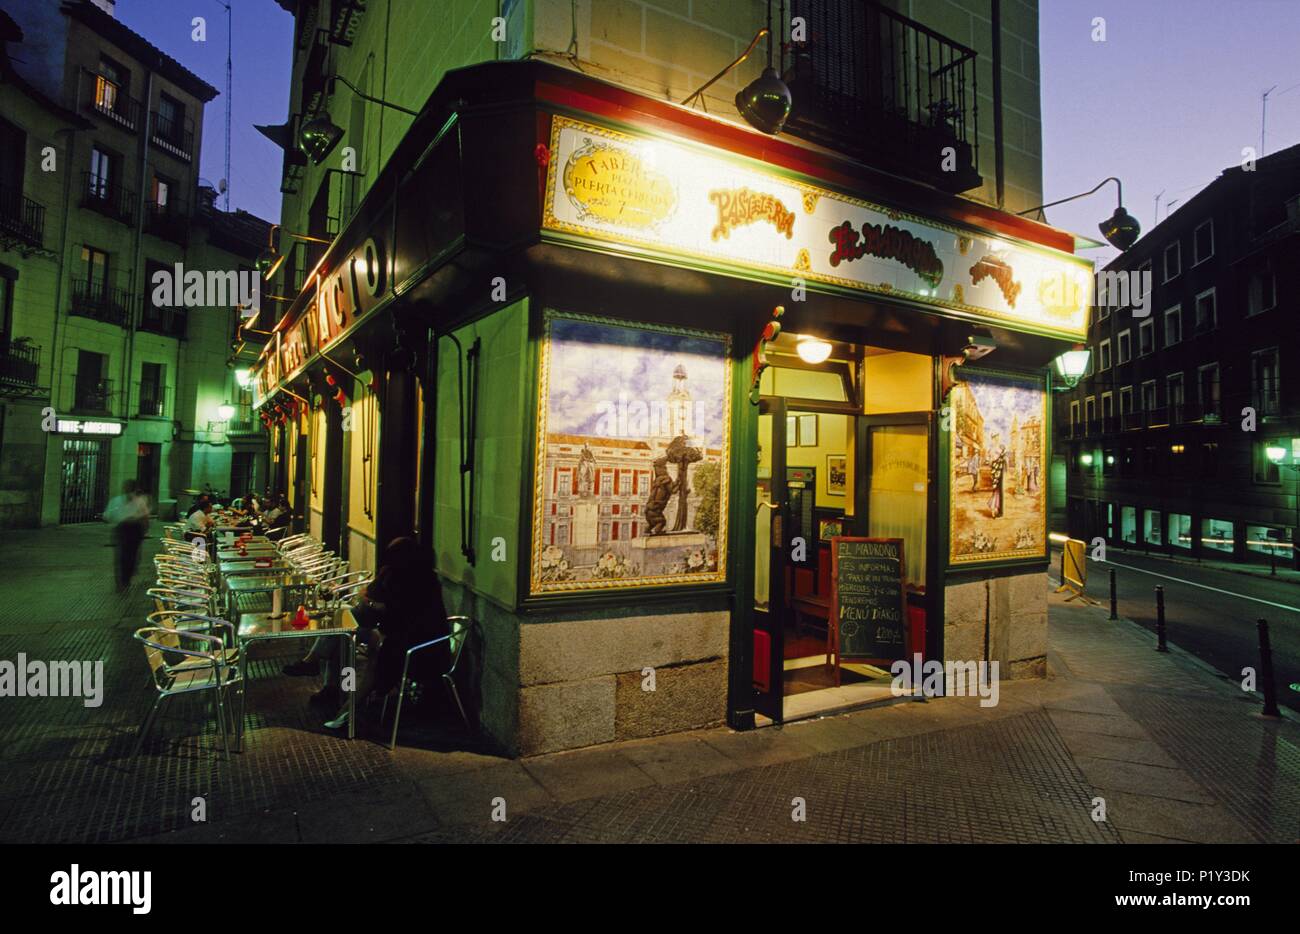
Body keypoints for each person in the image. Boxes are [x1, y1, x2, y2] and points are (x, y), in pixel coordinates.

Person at [284, 537, 451, 729]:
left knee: (348, 632)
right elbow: (375, 598)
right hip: (397, 635)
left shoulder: (415, 582)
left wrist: (374, 606)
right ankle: (339, 695)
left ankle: (341, 699)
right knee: (344, 634)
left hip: (416, 647)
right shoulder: (401, 575)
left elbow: (393, 610)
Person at [105, 481, 150, 591]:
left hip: (134, 529)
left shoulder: (140, 501)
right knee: (122, 555)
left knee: (132, 555)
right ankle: (123, 579)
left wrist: (144, 529)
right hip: (123, 529)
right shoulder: (117, 501)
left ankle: (126, 577)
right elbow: (107, 515)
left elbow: (145, 516)